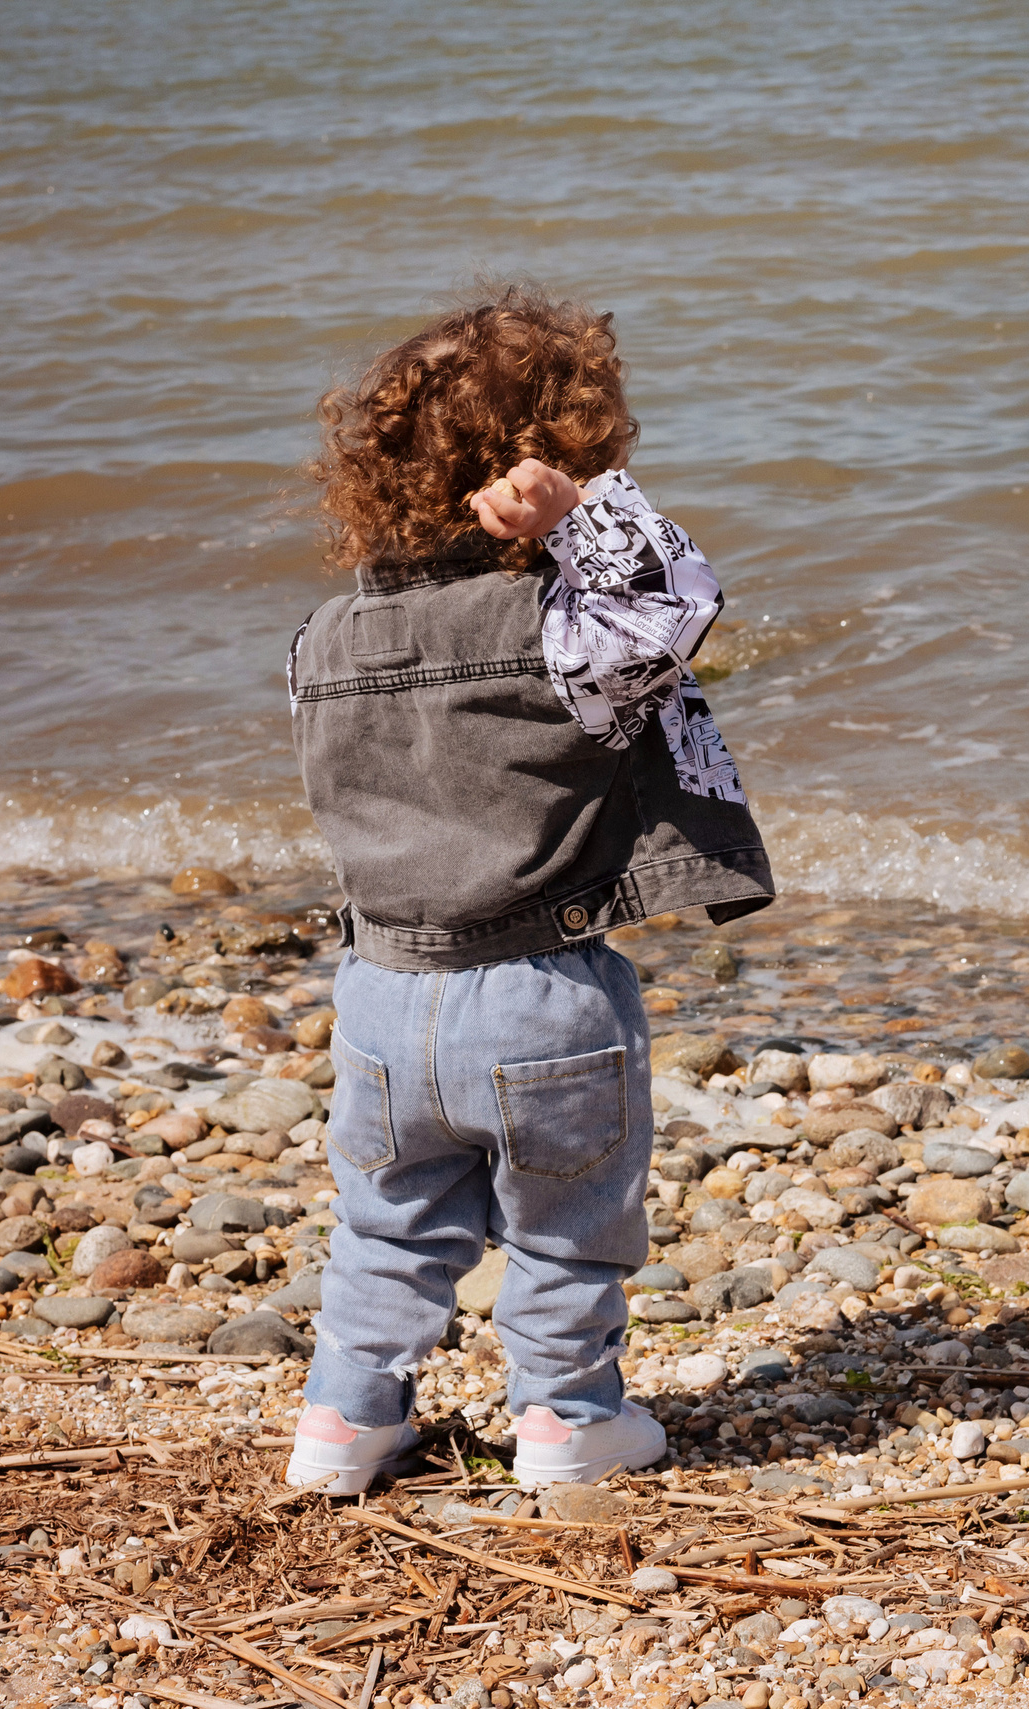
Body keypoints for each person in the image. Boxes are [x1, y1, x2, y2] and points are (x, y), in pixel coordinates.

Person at [281, 285, 773, 1491]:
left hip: (382, 990)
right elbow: (676, 611)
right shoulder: (556, 632)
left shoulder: (321, 641)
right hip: (543, 994)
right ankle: (564, 1418)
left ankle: (343, 1420)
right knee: (564, 1227)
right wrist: (591, 517)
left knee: (388, 1223)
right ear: (550, 469)